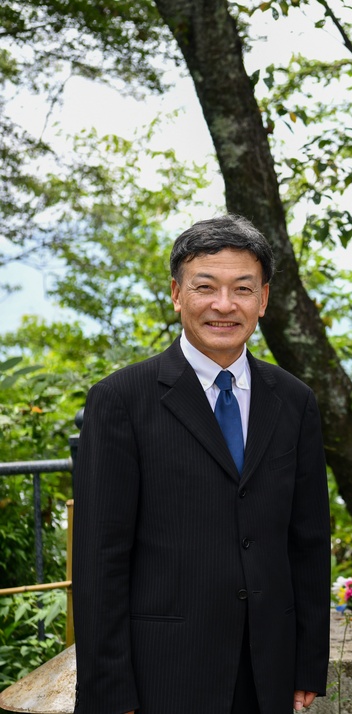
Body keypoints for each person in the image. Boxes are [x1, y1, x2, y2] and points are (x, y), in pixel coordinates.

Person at [73, 215, 331, 714]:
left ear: (263, 299)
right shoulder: (122, 400)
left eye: (242, 289)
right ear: (176, 293)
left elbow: (308, 541)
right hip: (162, 672)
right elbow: (99, 559)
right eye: (206, 287)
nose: (224, 305)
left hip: (267, 670)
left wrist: (306, 661)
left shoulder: (294, 401)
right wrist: (110, 692)